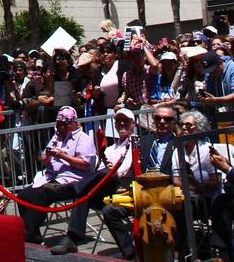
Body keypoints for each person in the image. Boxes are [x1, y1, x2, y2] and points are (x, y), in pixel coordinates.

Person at [51, 109, 136, 255]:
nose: (121, 124)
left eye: (126, 121)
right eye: (118, 121)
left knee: (100, 177)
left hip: (124, 188)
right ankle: (72, 237)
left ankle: (77, 188)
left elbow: (124, 170)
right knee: (87, 189)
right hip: (105, 191)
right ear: (114, 124)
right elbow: (99, 170)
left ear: (133, 124)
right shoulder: (110, 149)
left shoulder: (136, 144)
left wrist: (112, 171)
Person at [102, 105, 179, 259]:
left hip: (166, 196)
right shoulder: (143, 142)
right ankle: (131, 254)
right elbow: (134, 170)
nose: (162, 122)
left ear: (174, 122)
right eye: (158, 118)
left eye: (167, 119)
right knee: (110, 212)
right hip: (141, 195)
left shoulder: (179, 143)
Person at [18, 105, 97, 245]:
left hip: (73, 182)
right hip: (51, 178)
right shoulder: (57, 138)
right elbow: (42, 159)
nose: (61, 128)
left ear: (73, 122)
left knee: (42, 194)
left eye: (65, 124)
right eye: (59, 124)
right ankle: (34, 235)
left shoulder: (83, 139)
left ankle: (26, 234)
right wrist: (47, 155)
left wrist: (64, 156)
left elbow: (85, 164)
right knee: (24, 195)